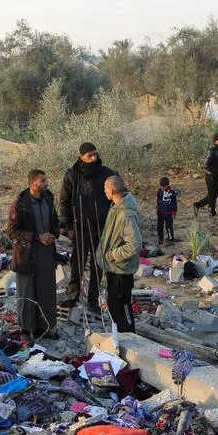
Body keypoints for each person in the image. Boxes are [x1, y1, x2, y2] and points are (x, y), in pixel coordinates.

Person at [58, 142, 115, 313]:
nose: (93, 158)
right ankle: (73, 296)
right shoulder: (72, 175)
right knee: (77, 263)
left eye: (95, 154)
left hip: (101, 226)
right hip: (80, 227)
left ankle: (93, 300)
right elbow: (64, 201)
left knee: (98, 265)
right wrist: (67, 226)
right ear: (81, 156)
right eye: (89, 155)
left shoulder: (106, 173)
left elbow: (116, 197)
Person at [7, 169, 60, 339]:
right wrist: (37, 237)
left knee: (47, 290)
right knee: (27, 292)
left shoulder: (49, 198)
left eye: (46, 180)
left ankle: (46, 328)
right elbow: (12, 231)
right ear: (33, 183)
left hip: (46, 252)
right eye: (42, 181)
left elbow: (55, 221)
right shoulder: (20, 204)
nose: (46, 183)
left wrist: (54, 234)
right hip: (26, 254)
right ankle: (26, 329)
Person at [96, 175, 142, 333]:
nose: (104, 191)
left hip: (122, 269)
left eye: (105, 189)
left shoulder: (126, 214)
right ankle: (121, 337)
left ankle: (129, 336)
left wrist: (113, 255)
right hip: (114, 268)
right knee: (114, 306)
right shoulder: (116, 208)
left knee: (122, 308)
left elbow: (135, 244)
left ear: (111, 190)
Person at [193, 132, 218, 217]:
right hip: (210, 177)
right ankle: (212, 212)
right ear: (215, 141)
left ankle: (198, 205)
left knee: (214, 194)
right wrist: (212, 172)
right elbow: (205, 165)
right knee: (212, 195)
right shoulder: (211, 151)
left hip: (216, 176)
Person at [156, 176, 178, 245]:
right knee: (159, 226)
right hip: (160, 212)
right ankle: (160, 239)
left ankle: (170, 239)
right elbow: (157, 200)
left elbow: (174, 203)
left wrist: (174, 212)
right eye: (161, 186)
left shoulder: (172, 192)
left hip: (168, 213)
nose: (162, 188)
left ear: (167, 185)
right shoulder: (159, 191)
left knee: (168, 226)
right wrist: (157, 209)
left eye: (164, 186)